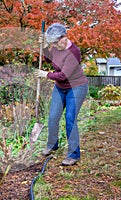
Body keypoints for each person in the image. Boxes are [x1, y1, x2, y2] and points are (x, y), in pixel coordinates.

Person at [35, 23, 88, 166]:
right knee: (53, 117)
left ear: (63, 38)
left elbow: (64, 75)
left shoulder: (74, 52)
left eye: (54, 43)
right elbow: (48, 59)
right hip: (60, 88)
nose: (54, 46)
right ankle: (52, 145)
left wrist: (46, 74)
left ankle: (73, 155)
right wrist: (45, 46)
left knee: (70, 118)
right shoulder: (56, 47)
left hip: (76, 87)